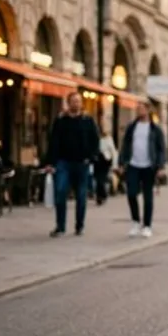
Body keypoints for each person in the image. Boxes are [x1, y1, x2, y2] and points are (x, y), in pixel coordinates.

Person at [44, 92, 100, 236]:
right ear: (68, 103)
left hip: (82, 163)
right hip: (63, 162)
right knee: (60, 192)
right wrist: (50, 162)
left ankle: (79, 225)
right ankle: (60, 226)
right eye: (73, 101)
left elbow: (95, 139)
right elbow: (53, 141)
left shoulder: (87, 120)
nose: (76, 104)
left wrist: (91, 157)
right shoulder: (61, 120)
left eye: (78, 101)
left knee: (81, 196)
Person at [118, 101, 167, 237]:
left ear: (148, 110)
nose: (139, 111)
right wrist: (121, 163)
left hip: (149, 166)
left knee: (148, 197)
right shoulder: (132, 127)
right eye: (137, 109)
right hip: (133, 165)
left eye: (141, 109)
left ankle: (147, 225)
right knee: (131, 193)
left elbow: (161, 149)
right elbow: (125, 145)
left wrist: (161, 166)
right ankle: (135, 221)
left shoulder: (155, 129)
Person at [94, 125, 117, 205]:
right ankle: (99, 196)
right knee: (97, 179)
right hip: (97, 161)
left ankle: (102, 195)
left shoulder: (108, 139)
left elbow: (113, 151)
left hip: (105, 161)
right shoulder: (96, 138)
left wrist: (114, 165)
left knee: (101, 179)